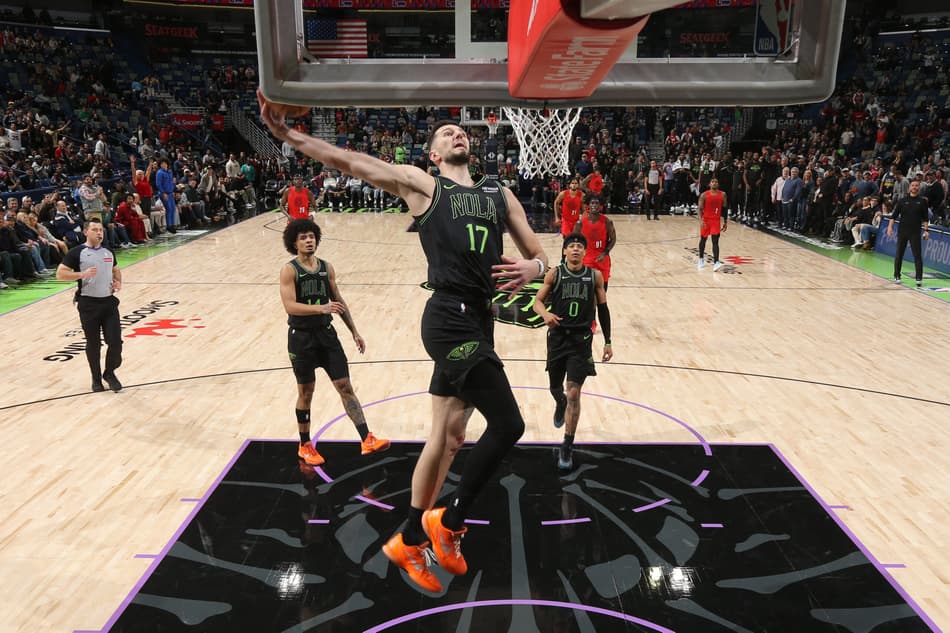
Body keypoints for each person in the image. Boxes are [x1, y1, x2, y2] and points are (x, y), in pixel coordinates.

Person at [258, 91, 547, 594]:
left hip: (479, 320)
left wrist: (535, 267)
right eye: (446, 134)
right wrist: (289, 135)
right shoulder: (425, 187)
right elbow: (352, 160)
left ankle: (409, 537)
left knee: (449, 438)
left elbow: (537, 250)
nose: (459, 133)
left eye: (463, 132)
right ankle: (449, 521)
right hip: (448, 318)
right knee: (508, 423)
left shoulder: (499, 194)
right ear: (433, 155)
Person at [279, 218, 389, 466]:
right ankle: (305, 445)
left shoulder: (326, 267)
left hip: (327, 336)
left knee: (345, 386)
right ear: (294, 243)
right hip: (301, 338)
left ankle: (366, 438)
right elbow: (290, 306)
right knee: (306, 392)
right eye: (303, 238)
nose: (309, 241)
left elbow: (338, 300)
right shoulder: (289, 270)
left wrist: (354, 331)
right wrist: (321, 308)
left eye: (311, 236)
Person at [532, 233, 612, 471]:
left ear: (584, 252)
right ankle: (559, 401)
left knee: (574, 393)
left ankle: (567, 444)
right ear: (565, 251)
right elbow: (537, 301)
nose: (576, 249)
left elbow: (604, 310)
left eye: (580, 246)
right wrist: (545, 314)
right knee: (556, 388)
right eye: (572, 246)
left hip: (581, 341)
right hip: (557, 339)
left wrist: (608, 341)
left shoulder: (594, 276)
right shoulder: (554, 274)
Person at [55, 218, 123, 392]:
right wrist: (82, 274)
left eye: (100, 229)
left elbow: (115, 270)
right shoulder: (77, 252)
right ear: (86, 232)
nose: (99, 233)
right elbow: (60, 274)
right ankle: (96, 378)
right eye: (95, 230)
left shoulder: (108, 251)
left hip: (109, 303)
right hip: (88, 304)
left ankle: (109, 373)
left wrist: (118, 282)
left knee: (115, 342)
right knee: (94, 344)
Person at [885, 180, 929, 287]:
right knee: (899, 254)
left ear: (919, 188)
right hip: (902, 232)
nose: (914, 187)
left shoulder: (922, 201)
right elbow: (894, 216)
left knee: (917, 256)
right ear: (909, 187)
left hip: (915, 232)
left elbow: (925, 218)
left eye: (916, 185)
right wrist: (890, 227)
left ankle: (919, 278)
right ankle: (897, 276)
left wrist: (926, 231)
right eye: (913, 185)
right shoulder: (902, 200)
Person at [573, 194, 615, 290]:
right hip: (587, 259)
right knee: (586, 290)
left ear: (600, 206)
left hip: (602, 259)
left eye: (597, 203)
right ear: (588, 205)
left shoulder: (607, 221)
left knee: (603, 291)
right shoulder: (580, 223)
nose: (594, 205)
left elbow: (613, 239)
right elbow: (574, 241)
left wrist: (605, 253)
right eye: (592, 203)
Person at [697, 178, 728, 271]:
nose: (714, 183)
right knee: (703, 240)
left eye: (716, 182)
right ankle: (701, 258)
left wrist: (725, 221)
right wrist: (701, 220)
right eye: (713, 182)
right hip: (706, 220)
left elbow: (725, 208)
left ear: (718, 184)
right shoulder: (704, 195)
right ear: (709, 184)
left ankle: (716, 262)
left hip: (716, 220)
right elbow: (699, 209)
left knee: (715, 241)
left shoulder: (723, 194)